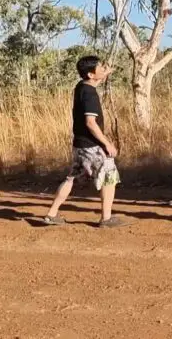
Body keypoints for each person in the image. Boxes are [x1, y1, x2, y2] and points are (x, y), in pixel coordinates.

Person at [42, 55, 126, 228]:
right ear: (90, 74)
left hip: (80, 144)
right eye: (100, 68)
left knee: (70, 178)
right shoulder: (90, 95)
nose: (103, 69)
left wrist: (104, 73)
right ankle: (106, 219)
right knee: (109, 177)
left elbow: (94, 82)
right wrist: (107, 143)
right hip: (91, 145)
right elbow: (90, 122)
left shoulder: (81, 87)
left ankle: (51, 214)